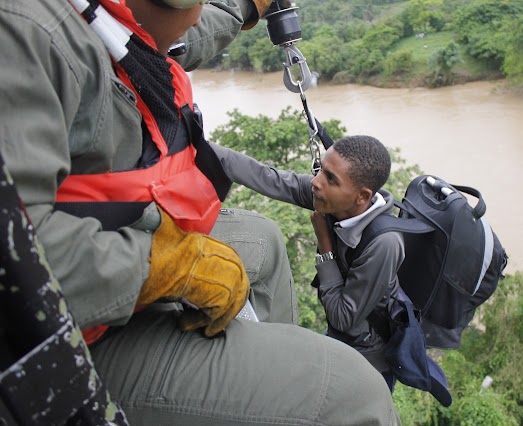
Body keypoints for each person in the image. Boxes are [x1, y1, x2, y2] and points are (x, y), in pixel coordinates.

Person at [0, 0, 401, 424]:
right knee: (356, 394)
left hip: (130, 237)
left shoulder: (112, 26)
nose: (195, 17)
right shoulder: (29, 34)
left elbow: (183, 35)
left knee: (263, 239)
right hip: (61, 338)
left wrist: (246, 6)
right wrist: (167, 267)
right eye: (190, 4)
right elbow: (19, 259)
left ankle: (261, 373)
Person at [211, 135, 407, 390]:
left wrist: (325, 246)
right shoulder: (332, 199)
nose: (316, 182)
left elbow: (342, 317)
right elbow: (268, 178)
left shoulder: (384, 244)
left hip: (368, 362)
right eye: (322, 170)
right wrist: (195, 142)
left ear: (362, 196)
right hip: (340, 340)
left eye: (330, 179)